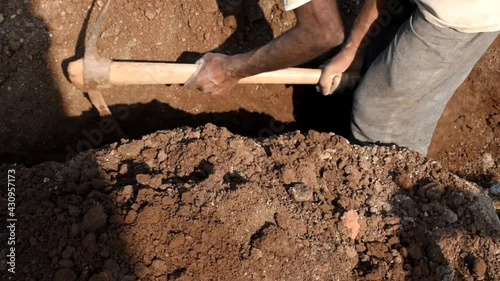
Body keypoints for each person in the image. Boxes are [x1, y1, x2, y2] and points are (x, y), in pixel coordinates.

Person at [185, 0, 500, 155]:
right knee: (380, 52)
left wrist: (230, 71)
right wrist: (354, 52)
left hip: (468, 10)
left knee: (378, 114)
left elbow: (322, 32)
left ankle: (396, 209)